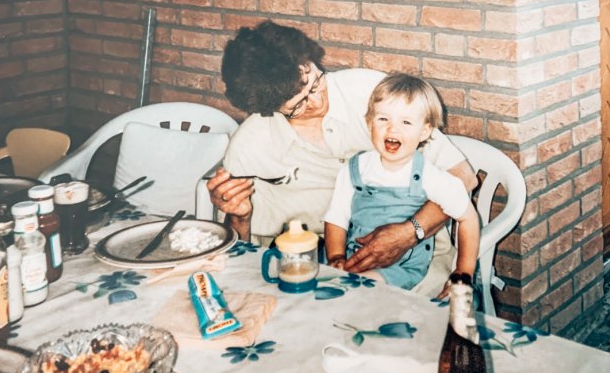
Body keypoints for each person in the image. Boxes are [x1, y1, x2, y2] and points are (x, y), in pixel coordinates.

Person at [206, 20, 478, 296]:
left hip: (420, 255)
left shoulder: (372, 93)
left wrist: (410, 232)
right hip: (318, 263)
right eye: (299, 105)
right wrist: (239, 216)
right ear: (270, 109)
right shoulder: (250, 145)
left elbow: (463, 177)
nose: (317, 101)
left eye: (315, 83)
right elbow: (238, 255)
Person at [323, 73, 480, 290]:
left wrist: (463, 272)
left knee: (358, 291)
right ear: (369, 123)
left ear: (424, 131)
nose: (392, 129)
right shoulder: (355, 168)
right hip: (354, 257)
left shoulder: (430, 176)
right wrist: (336, 257)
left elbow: (468, 217)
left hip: (402, 267)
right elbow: (336, 218)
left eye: (406, 122)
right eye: (383, 119)